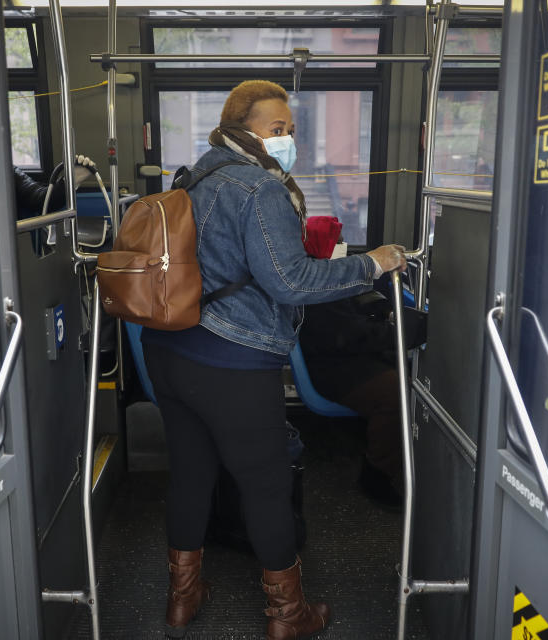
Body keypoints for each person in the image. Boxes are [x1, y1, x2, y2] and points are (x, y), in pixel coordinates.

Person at [140, 80, 409, 639]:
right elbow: (290, 282)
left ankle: (181, 600)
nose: (289, 141)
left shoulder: (196, 175)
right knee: (264, 485)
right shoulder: (259, 188)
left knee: (191, 474)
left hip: (169, 351)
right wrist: (373, 264)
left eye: (291, 130)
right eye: (278, 130)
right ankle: (289, 615)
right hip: (230, 360)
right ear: (245, 128)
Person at [299, 288, 426, 510]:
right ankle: (377, 474)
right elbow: (342, 334)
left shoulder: (335, 267)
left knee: (421, 378)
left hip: (362, 351)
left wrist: (387, 310)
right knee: (397, 396)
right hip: (332, 363)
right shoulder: (311, 283)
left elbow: (362, 292)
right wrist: (397, 333)